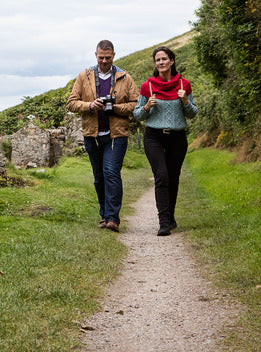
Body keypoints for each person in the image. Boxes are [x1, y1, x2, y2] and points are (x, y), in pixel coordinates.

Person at [67, 40, 139, 232]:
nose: (104, 61)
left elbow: (135, 104)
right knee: (99, 177)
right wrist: (90, 105)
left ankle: (113, 218)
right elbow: (72, 103)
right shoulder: (84, 76)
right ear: (95, 55)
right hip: (92, 134)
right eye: (101, 57)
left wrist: (114, 108)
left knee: (111, 173)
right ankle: (104, 215)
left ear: (114, 55)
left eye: (108, 57)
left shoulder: (125, 77)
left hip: (117, 135)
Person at [133, 46, 198, 236]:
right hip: (154, 137)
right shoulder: (148, 87)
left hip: (177, 138)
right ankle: (163, 222)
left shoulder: (184, 85)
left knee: (173, 177)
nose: (160, 63)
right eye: (157, 60)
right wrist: (146, 106)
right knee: (161, 176)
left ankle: (170, 216)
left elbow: (193, 113)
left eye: (164, 59)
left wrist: (185, 100)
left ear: (172, 61)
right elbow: (137, 115)